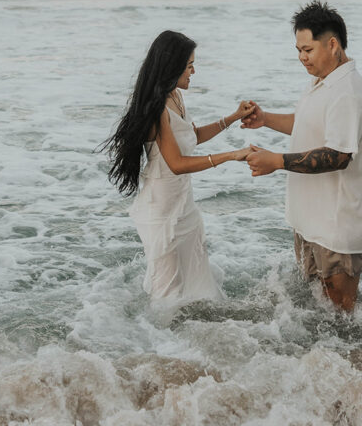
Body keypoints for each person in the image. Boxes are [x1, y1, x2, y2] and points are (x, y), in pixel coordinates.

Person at [103, 30, 253, 306]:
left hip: (183, 205)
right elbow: (177, 164)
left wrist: (234, 117)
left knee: (197, 284)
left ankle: (189, 341)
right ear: (173, 67)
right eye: (189, 65)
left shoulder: (176, 97)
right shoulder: (158, 109)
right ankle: (157, 345)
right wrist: (231, 156)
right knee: (167, 293)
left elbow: (191, 136)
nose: (194, 71)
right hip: (162, 212)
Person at [242, 0, 362, 312]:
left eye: (308, 50)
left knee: (342, 312)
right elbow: (307, 125)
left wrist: (277, 162)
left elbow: (339, 155)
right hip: (312, 218)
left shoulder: (347, 92)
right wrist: (266, 119)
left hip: (336, 224)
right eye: (298, 50)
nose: (302, 58)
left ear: (333, 45)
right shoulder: (322, 81)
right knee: (318, 307)